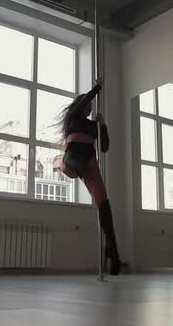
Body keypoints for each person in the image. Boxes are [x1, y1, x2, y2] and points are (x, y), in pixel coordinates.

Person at [58, 79, 123, 275]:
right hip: (72, 158)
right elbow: (84, 100)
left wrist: (102, 125)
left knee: (104, 204)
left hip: (88, 163)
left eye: (91, 106)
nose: (90, 108)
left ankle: (113, 252)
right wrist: (98, 87)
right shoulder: (73, 119)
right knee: (74, 162)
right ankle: (111, 253)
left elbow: (104, 147)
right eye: (88, 104)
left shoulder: (92, 125)